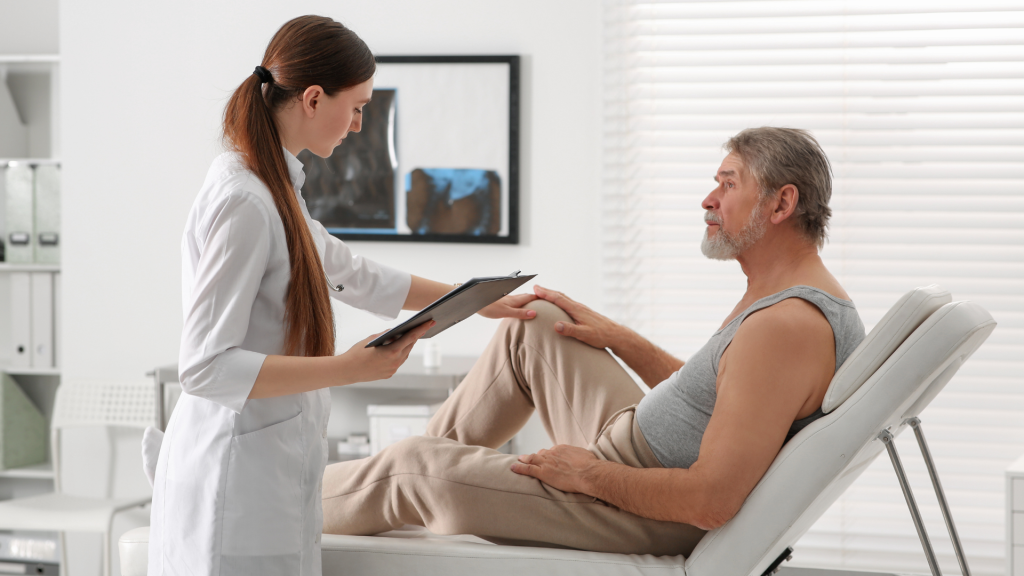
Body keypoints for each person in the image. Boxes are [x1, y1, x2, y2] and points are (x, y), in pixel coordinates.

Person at [321, 127, 867, 556]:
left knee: (411, 469)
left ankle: (287, 500)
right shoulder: (785, 297)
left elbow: (711, 500)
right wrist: (623, 341)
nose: (709, 199)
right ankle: (389, 496)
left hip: (645, 505)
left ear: (781, 204)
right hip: (634, 452)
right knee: (535, 319)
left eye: (728, 183)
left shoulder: (785, 326)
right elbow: (727, 401)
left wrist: (592, 475)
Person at [147, 16, 536, 576]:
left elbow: (352, 272)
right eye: (355, 107)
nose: (358, 125)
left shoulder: (273, 188)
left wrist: (479, 299)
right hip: (233, 481)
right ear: (311, 98)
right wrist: (347, 369)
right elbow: (205, 367)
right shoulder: (245, 202)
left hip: (267, 472)